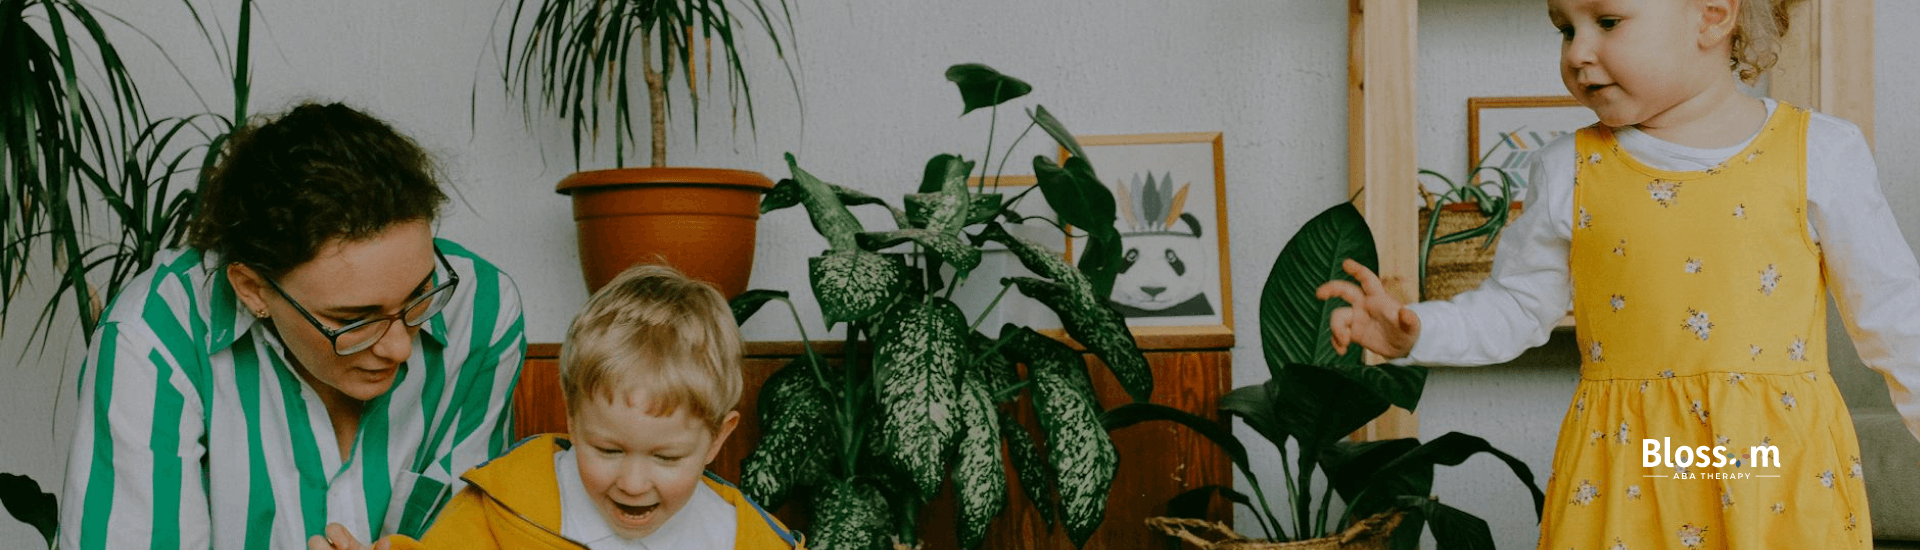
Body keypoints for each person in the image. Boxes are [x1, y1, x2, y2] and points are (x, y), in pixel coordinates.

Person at [1318, 0, 1920, 548]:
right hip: (1628, 465)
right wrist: (1415, 330)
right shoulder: (1568, 170)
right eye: (1564, 30)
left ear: (1712, 16)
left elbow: (1896, 318)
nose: (1578, 52)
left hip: (1771, 467)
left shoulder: (1819, 151)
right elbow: (1519, 307)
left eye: (1606, 22)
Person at [59, 102, 527, 549]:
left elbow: (476, 534)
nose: (401, 348)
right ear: (253, 290)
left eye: (420, 295)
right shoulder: (151, 341)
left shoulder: (479, 310)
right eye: (353, 319)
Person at [369, 264, 799, 550]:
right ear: (573, 420)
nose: (632, 483)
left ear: (716, 440)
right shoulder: (500, 505)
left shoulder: (742, 539)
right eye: (609, 450)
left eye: (666, 458)